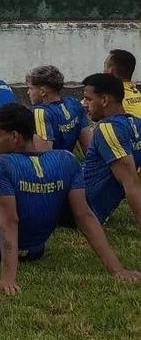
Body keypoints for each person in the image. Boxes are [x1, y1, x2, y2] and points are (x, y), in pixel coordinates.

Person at [0, 104, 141, 294]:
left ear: (14, 137)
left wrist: (8, 278)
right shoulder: (66, 160)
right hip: (35, 250)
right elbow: (84, 215)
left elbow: (8, 222)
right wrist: (117, 269)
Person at [73, 73, 141, 229]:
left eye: (88, 99)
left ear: (104, 100)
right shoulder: (137, 123)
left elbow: (131, 183)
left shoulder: (108, 128)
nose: (84, 105)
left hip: (79, 208)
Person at [26, 65, 92, 153]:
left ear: (42, 91)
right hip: (70, 163)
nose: (28, 92)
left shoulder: (40, 112)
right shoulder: (74, 103)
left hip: (53, 165)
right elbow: (89, 146)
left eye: (30, 88)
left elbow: (45, 154)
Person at [103, 49, 141, 117]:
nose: (103, 71)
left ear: (111, 71)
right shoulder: (137, 94)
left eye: (104, 66)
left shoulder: (111, 99)